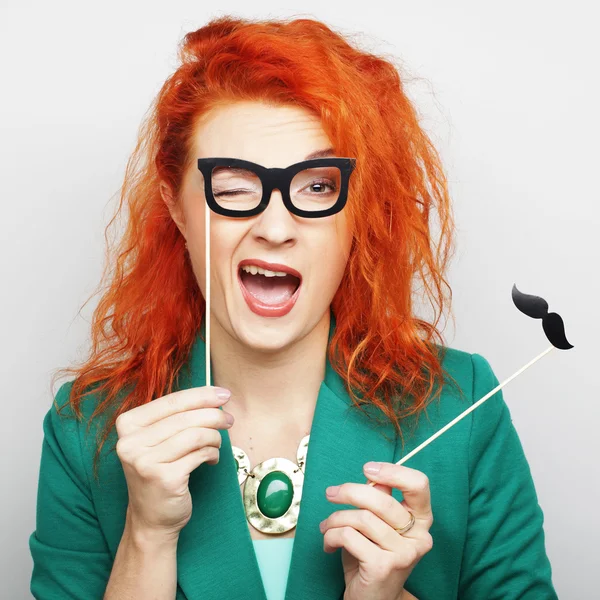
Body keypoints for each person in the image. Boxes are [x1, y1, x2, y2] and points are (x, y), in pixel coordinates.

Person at [29, 15, 558, 600]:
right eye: (232, 187)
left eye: (317, 186)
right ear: (176, 208)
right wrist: (146, 537)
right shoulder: (89, 430)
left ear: (359, 213)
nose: (275, 228)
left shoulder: (465, 407)